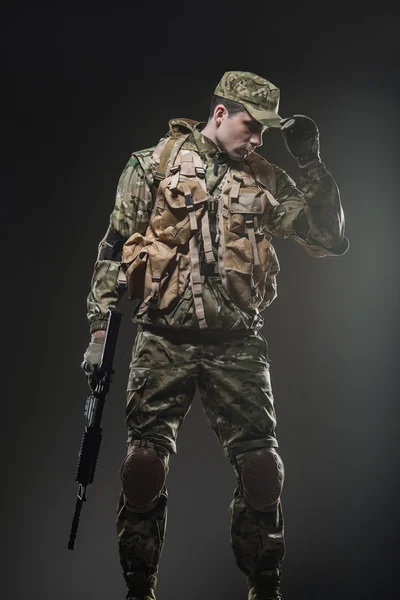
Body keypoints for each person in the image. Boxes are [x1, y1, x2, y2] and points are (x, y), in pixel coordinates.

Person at [82, 71, 349, 600]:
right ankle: (139, 588)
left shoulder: (267, 178)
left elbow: (328, 239)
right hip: (162, 339)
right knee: (142, 468)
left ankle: (264, 586)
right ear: (221, 113)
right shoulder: (151, 165)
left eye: (265, 133)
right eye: (252, 125)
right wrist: (98, 327)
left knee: (262, 468)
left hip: (236, 343)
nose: (257, 139)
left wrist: (311, 165)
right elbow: (114, 248)